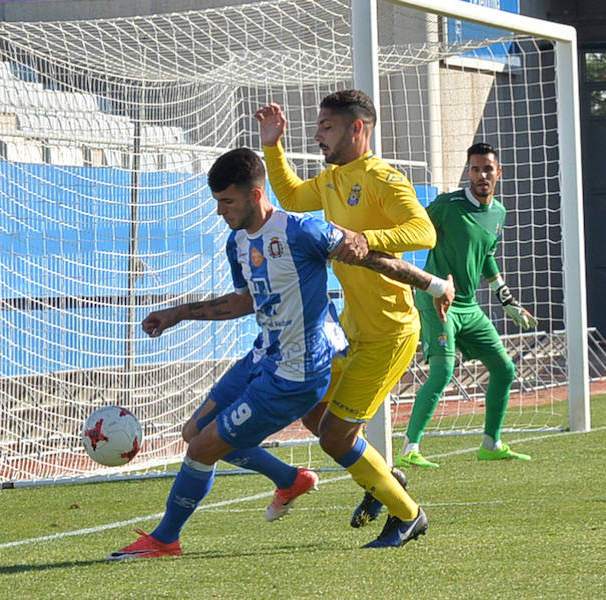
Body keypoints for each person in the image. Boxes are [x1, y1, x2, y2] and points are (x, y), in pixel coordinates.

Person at [106, 148, 453, 560]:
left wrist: (434, 286)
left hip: (295, 376)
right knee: (195, 434)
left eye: (227, 202)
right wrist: (178, 313)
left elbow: (373, 260)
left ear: (255, 195)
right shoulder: (237, 242)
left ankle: (165, 539)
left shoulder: (303, 231)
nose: (220, 211)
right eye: (217, 202)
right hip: (262, 357)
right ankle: (290, 479)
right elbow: (244, 302)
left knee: (206, 449)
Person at [255, 89, 438, 546]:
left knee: (335, 437)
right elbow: (294, 198)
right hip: (353, 330)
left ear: (358, 128)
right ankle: (383, 476)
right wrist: (272, 146)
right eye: (318, 126)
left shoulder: (384, 179)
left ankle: (408, 515)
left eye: (327, 126)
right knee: (312, 408)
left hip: (390, 332)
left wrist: (364, 236)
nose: (317, 135)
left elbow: (424, 232)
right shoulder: (334, 178)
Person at [395, 142, 538, 470]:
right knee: (444, 371)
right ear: (468, 173)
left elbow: (487, 256)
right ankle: (409, 447)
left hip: (469, 308)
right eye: (475, 169)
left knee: (505, 369)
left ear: (498, 173)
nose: (481, 175)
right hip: (437, 301)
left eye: (488, 169)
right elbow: (413, 231)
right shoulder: (447, 206)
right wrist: (421, 280)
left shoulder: (498, 213)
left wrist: (507, 300)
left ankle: (491, 443)